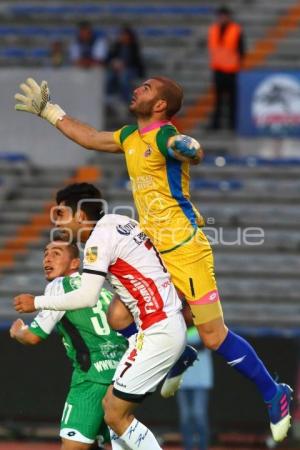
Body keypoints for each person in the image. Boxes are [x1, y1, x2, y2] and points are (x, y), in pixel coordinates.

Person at [14, 77, 293, 442]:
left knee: (212, 336)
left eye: (146, 88)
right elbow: (91, 137)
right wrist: (50, 112)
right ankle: (178, 359)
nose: (137, 89)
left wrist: (187, 146)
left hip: (185, 249)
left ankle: (274, 393)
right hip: (155, 247)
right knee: (117, 316)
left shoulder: (163, 136)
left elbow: (187, 148)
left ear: (161, 105)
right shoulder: (131, 136)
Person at [14, 183, 187, 450]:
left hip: (150, 334)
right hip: (154, 328)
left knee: (115, 416)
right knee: (115, 414)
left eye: (60, 214)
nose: (55, 222)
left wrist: (34, 302)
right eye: (45, 253)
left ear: (80, 216)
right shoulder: (120, 222)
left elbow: (84, 298)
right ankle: (182, 354)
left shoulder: (93, 247)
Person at [10, 234, 128, 450]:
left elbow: (34, 336)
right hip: (122, 376)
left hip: (91, 378)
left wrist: (17, 332)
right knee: (106, 443)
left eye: (56, 254)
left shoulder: (59, 286)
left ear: (75, 262)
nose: (47, 259)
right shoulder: (101, 289)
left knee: (73, 446)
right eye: (45, 254)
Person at [176, 304, 213, 450]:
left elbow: (204, 345)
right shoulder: (178, 327)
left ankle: (203, 447)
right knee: (185, 418)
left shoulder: (204, 327)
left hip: (201, 381)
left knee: (199, 415)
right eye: (187, 310)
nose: (189, 313)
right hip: (181, 380)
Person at [207, 6, 245, 130]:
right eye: (220, 16)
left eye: (224, 15)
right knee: (217, 99)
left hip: (231, 70)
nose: (222, 18)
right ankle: (216, 124)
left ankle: (232, 125)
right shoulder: (213, 29)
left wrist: (237, 63)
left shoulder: (236, 30)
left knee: (232, 100)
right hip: (218, 69)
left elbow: (241, 50)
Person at [106, 26, 145, 105]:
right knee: (109, 77)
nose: (123, 37)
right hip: (117, 70)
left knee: (123, 77)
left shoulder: (134, 46)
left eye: (125, 35)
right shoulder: (117, 46)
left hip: (131, 69)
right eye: (122, 35)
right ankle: (109, 97)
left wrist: (124, 65)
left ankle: (127, 100)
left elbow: (136, 61)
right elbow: (109, 58)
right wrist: (114, 63)